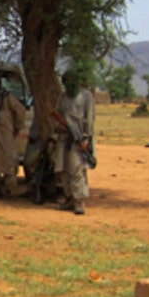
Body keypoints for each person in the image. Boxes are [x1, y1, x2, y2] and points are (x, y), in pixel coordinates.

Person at [53, 70, 96, 215]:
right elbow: (56, 115)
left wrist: (85, 139)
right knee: (63, 169)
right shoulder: (62, 98)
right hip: (64, 139)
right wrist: (59, 128)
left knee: (76, 169)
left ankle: (79, 200)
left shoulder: (86, 96)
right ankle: (69, 197)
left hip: (79, 139)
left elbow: (89, 119)